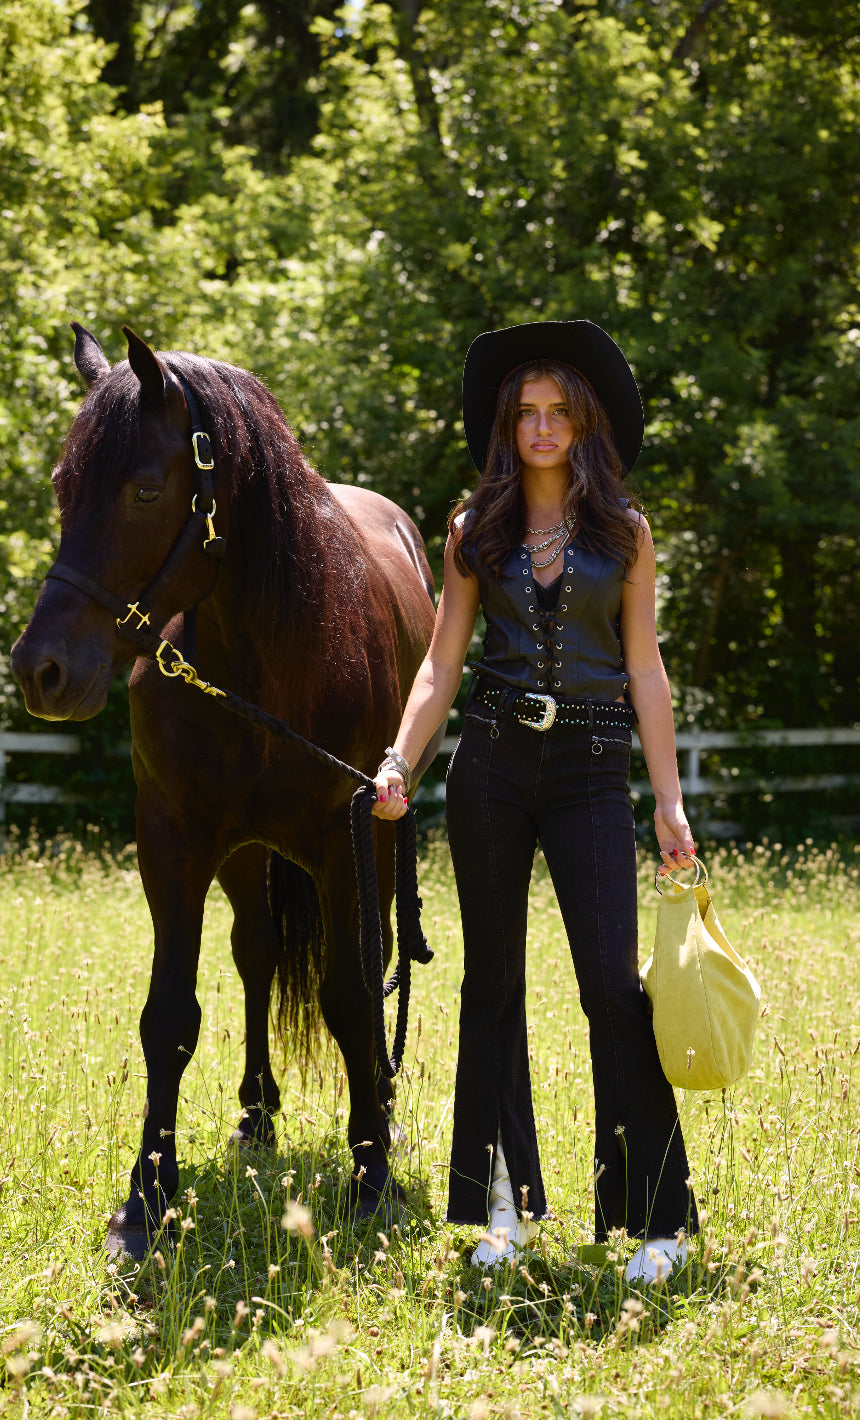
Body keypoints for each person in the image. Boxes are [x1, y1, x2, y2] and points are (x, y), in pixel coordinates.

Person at [372, 320, 699, 1281]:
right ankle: (503, 1207)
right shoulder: (472, 531)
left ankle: (660, 1221)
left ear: (585, 423)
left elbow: (646, 670)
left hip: (593, 767)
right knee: (492, 985)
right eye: (527, 413)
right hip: (492, 765)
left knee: (611, 987)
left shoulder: (625, 531)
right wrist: (398, 761)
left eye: (559, 412)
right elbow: (441, 664)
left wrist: (670, 803)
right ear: (507, 427)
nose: (544, 427)